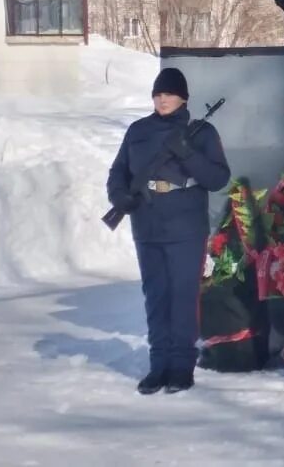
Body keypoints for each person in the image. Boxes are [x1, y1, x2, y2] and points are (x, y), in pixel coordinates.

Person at [106, 67, 231, 395]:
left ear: (183, 97)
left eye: (169, 94)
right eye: (158, 94)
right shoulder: (138, 130)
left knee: (183, 295)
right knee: (156, 295)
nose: (163, 99)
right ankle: (158, 364)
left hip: (185, 223)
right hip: (147, 222)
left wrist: (187, 154)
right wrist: (118, 195)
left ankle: (181, 365)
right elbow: (118, 170)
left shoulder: (200, 133)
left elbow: (218, 178)